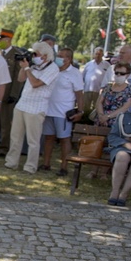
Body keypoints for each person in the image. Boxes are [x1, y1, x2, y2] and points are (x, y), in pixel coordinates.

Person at [5, 41, 59, 173]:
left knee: (33, 140)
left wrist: (28, 69)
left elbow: (35, 83)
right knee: (15, 136)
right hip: (22, 104)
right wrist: (24, 67)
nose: (33, 56)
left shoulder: (53, 69)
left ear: (45, 56)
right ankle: (11, 162)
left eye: (36, 54)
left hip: (36, 108)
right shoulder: (34, 65)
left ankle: (30, 166)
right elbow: (20, 79)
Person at [41, 47, 84, 175]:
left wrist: (80, 111)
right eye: (58, 55)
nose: (59, 58)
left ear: (69, 59)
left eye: (62, 56)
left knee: (64, 139)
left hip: (63, 112)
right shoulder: (52, 69)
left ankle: (64, 167)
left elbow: (79, 94)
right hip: (48, 110)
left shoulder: (75, 73)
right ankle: (46, 164)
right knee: (48, 138)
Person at [0, 28, 21, 156]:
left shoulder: (16, 55)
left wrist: (13, 94)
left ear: (8, 39)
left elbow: (18, 78)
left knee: (6, 124)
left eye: (0, 39)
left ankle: (4, 148)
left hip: (7, 95)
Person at [94, 62, 131, 126]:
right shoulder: (108, 86)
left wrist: (107, 117)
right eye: (116, 73)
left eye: (122, 73)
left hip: (117, 122)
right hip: (101, 120)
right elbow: (99, 102)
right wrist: (101, 116)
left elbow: (125, 108)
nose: (118, 75)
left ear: (128, 75)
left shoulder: (130, 89)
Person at [82, 47, 110, 120]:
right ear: (94, 54)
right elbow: (83, 76)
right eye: (96, 54)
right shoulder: (88, 64)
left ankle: (94, 122)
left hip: (99, 91)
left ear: (102, 55)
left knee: (96, 107)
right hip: (88, 89)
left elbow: (109, 77)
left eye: (99, 54)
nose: (97, 55)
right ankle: (84, 120)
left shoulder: (107, 65)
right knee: (85, 107)